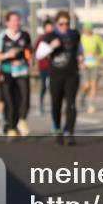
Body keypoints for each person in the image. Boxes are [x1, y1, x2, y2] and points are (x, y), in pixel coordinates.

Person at [35, 10, 82, 145]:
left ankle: (69, 131)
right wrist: (51, 46)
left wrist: (81, 56)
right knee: (56, 104)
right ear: (57, 24)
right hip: (55, 75)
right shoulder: (50, 36)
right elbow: (39, 54)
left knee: (71, 104)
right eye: (61, 24)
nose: (64, 26)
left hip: (72, 74)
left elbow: (79, 48)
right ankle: (58, 130)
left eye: (66, 24)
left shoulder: (74, 35)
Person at [0, 11, 33, 138]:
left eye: (18, 20)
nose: (16, 23)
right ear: (7, 22)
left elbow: (28, 50)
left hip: (22, 71)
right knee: (10, 101)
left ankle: (22, 120)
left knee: (25, 97)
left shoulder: (25, 35)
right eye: (13, 20)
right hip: (7, 72)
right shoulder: (2, 37)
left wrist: (29, 59)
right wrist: (7, 55)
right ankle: (10, 126)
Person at [78, 21, 103, 114]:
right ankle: (81, 96)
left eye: (88, 28)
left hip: (94, 64)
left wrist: (99, 57)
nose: (87, 30)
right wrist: (80, 61)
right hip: (84, 64)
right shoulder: (80, 38)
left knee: (94, 85)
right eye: (85, 29)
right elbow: (77, 52)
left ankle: (91, 105)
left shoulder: (97, 38)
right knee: (87, 85)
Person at [33, 19, 54, 116]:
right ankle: (41, 104)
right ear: (45, 28)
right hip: (44, 66)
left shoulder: (55, 37)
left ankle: (54, 105)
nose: (50, 28)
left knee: (53, 86)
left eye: (51, 26)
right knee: (44, 86)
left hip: (54, 66)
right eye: (48, 26)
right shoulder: (41, 38)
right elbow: (36, 51)